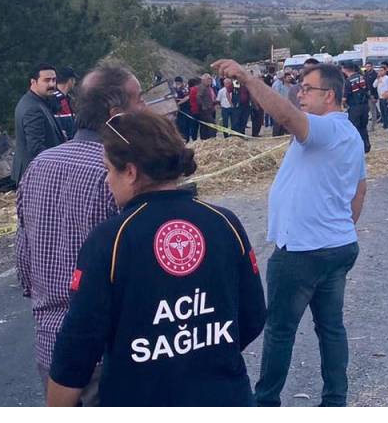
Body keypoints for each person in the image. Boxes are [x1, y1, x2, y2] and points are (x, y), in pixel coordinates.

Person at [47, 110, 266, 406]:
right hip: (226, 396)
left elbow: (76, 348)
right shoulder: (223, 221)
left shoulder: (110, 240)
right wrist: (201, 351)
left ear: (131, 172)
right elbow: (252, 316)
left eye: (109, 170)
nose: (108, 181)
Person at [211, 58, 367, 407]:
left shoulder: (325, 128)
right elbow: (360, 190)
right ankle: (335, 401)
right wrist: (340, 227)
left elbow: (285, 117)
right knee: (331, 328)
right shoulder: (350, 135)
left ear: (330, 96)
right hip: (335, 246)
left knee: (280, 331)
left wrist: (249, 80)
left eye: (307, 88)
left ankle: (265, 403)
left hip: (302, 252)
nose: (300, 94)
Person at [17, 65, 147, 400]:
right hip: (106, 354)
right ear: (116, 114)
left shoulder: (38, 167)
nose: (145, 110)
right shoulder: (120, 176)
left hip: (51, 347)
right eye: (140, 100)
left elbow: (25, 266)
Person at [12, 64, 65, 185]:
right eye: (46, 80)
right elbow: (36, 148)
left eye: (54, 80)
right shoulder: (32, 108)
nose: (52, 84)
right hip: (37, 176)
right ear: (33, 82)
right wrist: (61, 165)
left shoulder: (38, 101)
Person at [341, 62, 370, 153]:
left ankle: (357, 147)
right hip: (365, 106)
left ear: (345, 69)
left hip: (354, 107)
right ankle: (366, 145)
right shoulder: (362, 77)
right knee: (363, 127)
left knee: (354, 128)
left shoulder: (348, 81)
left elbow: (344, 98)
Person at [53, 66, 79, 140]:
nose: (75, 82)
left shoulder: (68, 99)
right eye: (74, 80)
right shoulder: (54, 99)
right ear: (70, 80)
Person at [172, 77, 195, 142]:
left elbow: (187, 97)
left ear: (181, 82)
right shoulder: (175, 89)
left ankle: (186, 140)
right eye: (176, 83)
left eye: (178, 83)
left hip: (185, 109)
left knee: (185, 126)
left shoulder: (185, 88)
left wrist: (178, 103)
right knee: (179, 126)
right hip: (178, 111)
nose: (177, 84)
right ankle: (181, 140)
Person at [196, 74, 218, 140]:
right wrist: (203, 106)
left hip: (210, 108)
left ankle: (205, 139)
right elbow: (198, 97)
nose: (210, 80)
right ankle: (212, 139)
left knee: (205, 126)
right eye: (208, 79)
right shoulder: (202, 87)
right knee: (212, 125)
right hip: (205, 110)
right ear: (203, 80)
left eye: (210, 79)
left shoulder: (209, 87)